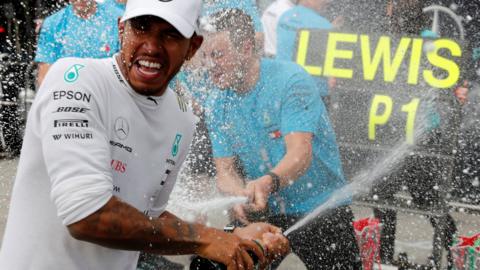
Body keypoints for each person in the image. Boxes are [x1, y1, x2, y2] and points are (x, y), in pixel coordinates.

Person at [0, 0, 290, 269]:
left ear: (193, 46)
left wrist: (231, 238)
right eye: (141, 28)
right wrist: (207, 239)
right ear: (121, 30)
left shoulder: (182, 117)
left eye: (170, 35)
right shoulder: (74, 79)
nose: (151, 46)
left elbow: (145, 216)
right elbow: (87, 216)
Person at [202, 9, 361, 269]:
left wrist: (267, 183)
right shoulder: (216, 101)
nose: (210, 65)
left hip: (320, 206)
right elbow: (225, 172)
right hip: (267, 211)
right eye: (205, 56)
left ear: (245, 48)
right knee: (212, 264)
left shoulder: (290, 80)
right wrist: (238, 195)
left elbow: (300, 154)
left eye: (217, 55)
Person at [35, 0, 124, 86]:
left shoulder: (117, 18)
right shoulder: (53, 23)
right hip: (68, 90)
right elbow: (44, 75)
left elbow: (125, 67)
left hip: (107, 88)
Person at [275, 0, 332, 97]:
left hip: (283, 89)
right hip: (315, 95)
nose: (327, 1)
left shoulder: (284, 17)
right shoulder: (325, 26)